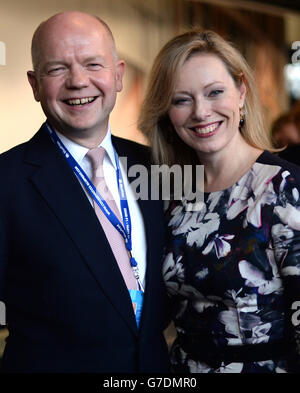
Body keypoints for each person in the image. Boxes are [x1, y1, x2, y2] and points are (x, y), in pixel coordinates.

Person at [0, 11, 170, 373]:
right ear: (34, 84)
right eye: (57, 69)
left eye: (93, 64)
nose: (78, 81)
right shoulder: (6, 181)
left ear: (118, 75)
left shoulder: (157, 166)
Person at [138, 29, 300, 373]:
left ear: (241, 92)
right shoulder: (171, 194)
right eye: (182, 99)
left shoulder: (284, 188)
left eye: (215, 92)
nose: (201, 112)